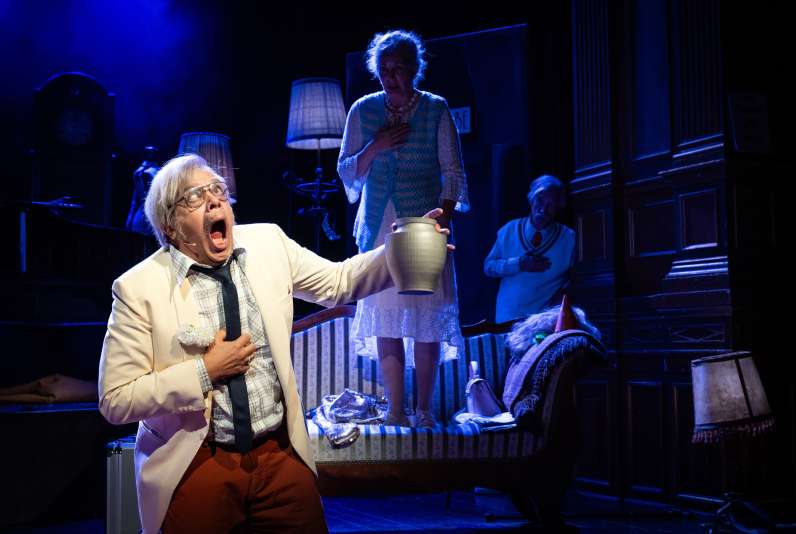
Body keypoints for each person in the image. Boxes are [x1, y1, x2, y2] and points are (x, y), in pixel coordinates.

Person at [98, 154, 451, 533]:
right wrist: (204, 372)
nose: (214, 200)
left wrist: (400, 248)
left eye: (218, 190)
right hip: (195, 458)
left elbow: (339, 282)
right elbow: (116, 399)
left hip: (277, 452)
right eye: (195, 197)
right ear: (170, 226)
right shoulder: (138, 288)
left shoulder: (269, 243)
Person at [337, 30, 470, 428]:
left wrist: (443, 216)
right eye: (383, 69)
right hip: (379, 227)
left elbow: (453, 171)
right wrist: (376, 146)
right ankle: (396, 410)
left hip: (424, 225)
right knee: (386, 316)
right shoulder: (363, 110)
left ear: (414, 69)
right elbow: (347, 170)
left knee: (426, 318)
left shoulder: (435, 109)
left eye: (398, 69)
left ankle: (424, 411)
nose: (390, 77)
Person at [484, 175, 575, 323]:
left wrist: (562, 296)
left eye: (551, 204)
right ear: (531, 199)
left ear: (559, 206)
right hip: (507, 319)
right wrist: (519, 263)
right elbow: (488, 267)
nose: (543, 209)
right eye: (540, 200)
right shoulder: (509, 230)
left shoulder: (569, 238)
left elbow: (576, 278)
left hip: (544, 322)